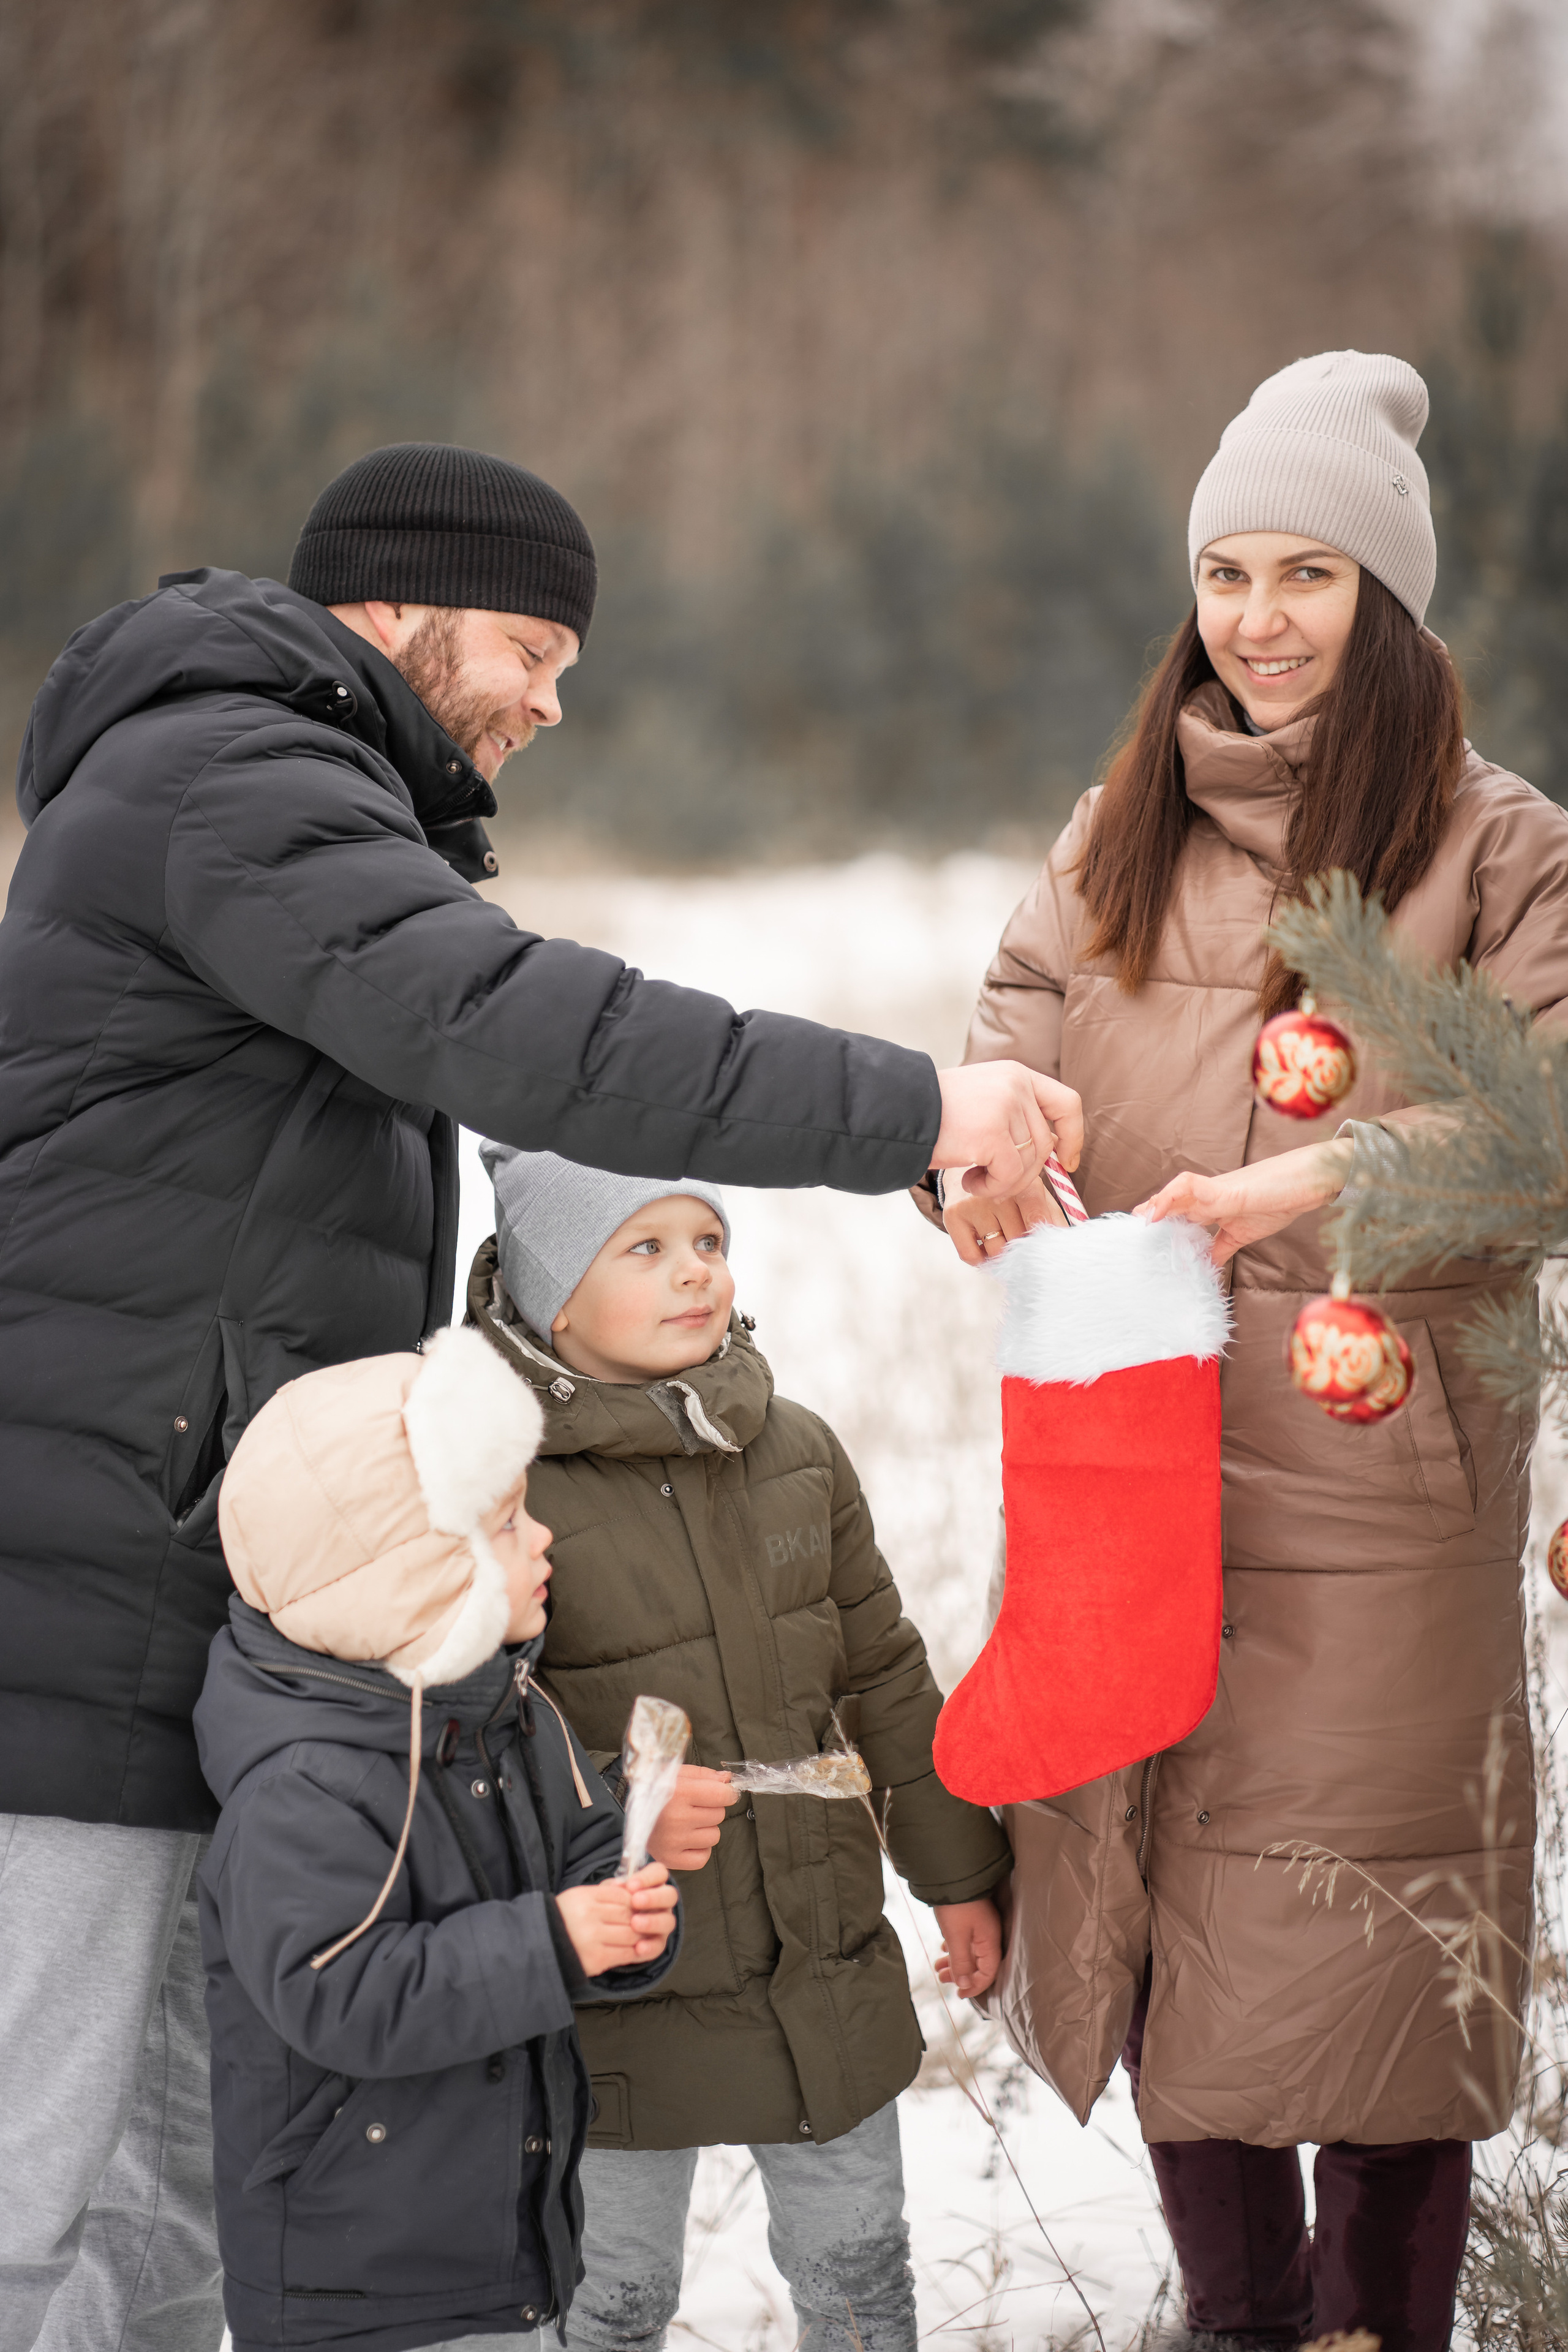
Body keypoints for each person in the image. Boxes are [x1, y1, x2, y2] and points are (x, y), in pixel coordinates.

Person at [0, 441, 1080, 2349]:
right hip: (68, 1613)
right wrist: (917, 1112)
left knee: (169, 2209)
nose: (551, 699)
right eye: (528, 645)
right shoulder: (232, 776)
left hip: (196, 1608)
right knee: (33, 2194)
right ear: (395, 610)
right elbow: (528, 1033)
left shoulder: (291, 799)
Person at [924, 352, 1568, 2351]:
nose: (1259, 618)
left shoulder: (1499, 846)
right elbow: (1011, 1032)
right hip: (1136, 1473)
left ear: (1389, 604)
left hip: (1386, 1502)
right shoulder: (1120, 827)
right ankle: (1237, 2322)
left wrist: (1306, 1190)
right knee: (1177, 1953)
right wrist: (970, 1152)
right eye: (1226, 571)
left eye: (1308, 574)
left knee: (1379, 1969)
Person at [464, 1145, 1013, 2352]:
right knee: (605, 2292)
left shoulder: (796, 1454)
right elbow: (475, 1745)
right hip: (620, 1982)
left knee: (859, 2265)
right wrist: (612, 1815)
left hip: (816, 1960)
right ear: (553, 1293)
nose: (693, 1274)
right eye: (645, 1249)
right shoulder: (501, 1486)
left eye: (706, 1242)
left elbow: (881, 1679)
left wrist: (958, 1874)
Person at [196, 1322, 680, 2352]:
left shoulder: (506, 1710)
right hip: (359, 2284)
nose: (543, 1541)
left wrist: (628, 1906)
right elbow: (343, 1992)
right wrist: (556, 1942)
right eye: (506, 1527)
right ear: (409, 1575)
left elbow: (583, 1851)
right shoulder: (304, 1786)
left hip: (503, 2245)